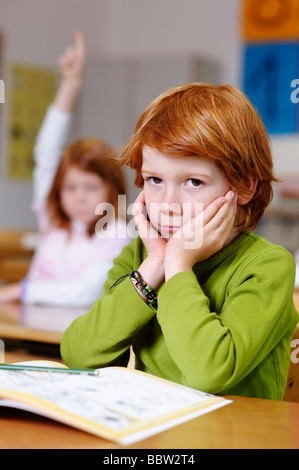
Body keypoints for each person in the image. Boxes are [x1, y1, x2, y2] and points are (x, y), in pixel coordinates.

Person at [61, 82, 299, 399]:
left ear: (244, 186)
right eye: (155, 180)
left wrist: (177, 264)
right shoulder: (141, 256)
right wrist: (154, 267)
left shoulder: (268, 265)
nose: (168, 205)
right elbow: (80, 356)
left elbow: (208, 373)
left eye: (194, 182)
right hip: (154, 433)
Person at [0, 31, 130, 307]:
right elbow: (47, 152)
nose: (79, 197)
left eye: (91, 187)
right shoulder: (54, 222)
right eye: (70, 188)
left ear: (112, 189)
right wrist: (70, 84)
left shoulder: (117, 233)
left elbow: (86, 293)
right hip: (27, 324)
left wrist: (23, 291)